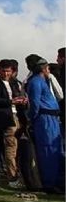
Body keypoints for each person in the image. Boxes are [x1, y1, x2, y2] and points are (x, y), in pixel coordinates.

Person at [25, 56, 64, 194]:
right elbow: (34, 103)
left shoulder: (43, 81)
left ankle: (59, 182)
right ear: (42, 68)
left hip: (52, 118)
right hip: (44, 119)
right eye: (47, 67)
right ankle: (49, 183)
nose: (49, 70)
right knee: (47, 150)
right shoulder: (36, 82)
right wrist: (31, 118)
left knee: (56, 149)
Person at [0, 59, 26, 188]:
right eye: (3, 70)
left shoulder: (14, 83)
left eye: (8, 71)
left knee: (17, 146)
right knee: (11, 146)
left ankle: (17, 173)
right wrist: (10, 102)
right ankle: (12, 176)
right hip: (6, 118)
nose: (6, 73)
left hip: (16, 116)